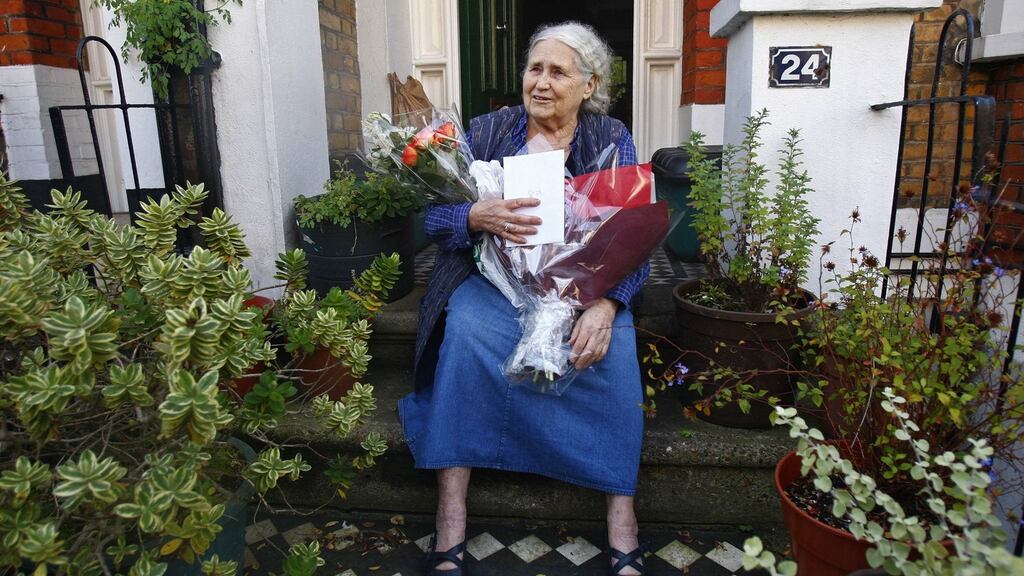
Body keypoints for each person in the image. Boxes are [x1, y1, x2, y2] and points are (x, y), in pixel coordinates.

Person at [398, 21, 650, 576]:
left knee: (615, 351)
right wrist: (471, 215)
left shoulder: (610, 138)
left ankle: (621, 515)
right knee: (463, 334)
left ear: (589, 85)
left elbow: (634, 241)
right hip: (492, 287)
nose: (541, 82)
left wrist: (608, 306)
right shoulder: (488, 130)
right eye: (535, 68)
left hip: (580, 293)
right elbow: (432, 219)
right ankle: (451, 513)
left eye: (558, 72)